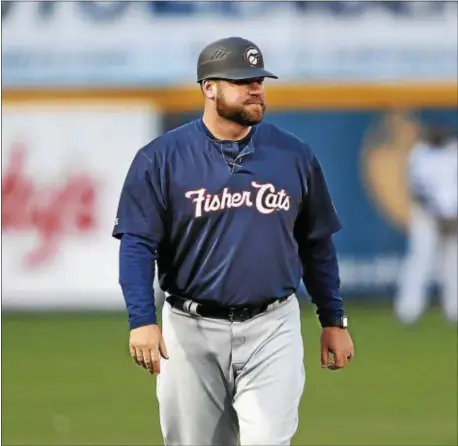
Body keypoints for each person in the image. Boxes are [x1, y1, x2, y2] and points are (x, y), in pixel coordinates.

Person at [112, 36, 354, 446]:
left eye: (259, 79)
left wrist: (333, 319)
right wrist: (142, 320)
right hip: (190, 329)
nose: (256, 88)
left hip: (272, 326)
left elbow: (317, 243)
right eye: (243, 80)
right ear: (209, 88)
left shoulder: (293, 155)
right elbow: (136, 244)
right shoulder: (161, 158)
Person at [395, 125, 458, 325]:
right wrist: (439, 215)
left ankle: (454, 308)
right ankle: (409, 310)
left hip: (454, 217)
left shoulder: (454, 151)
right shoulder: (419, 153)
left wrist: (452, 216)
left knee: (453, 262)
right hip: (427, 217)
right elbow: (417, 189)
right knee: (420, 259)